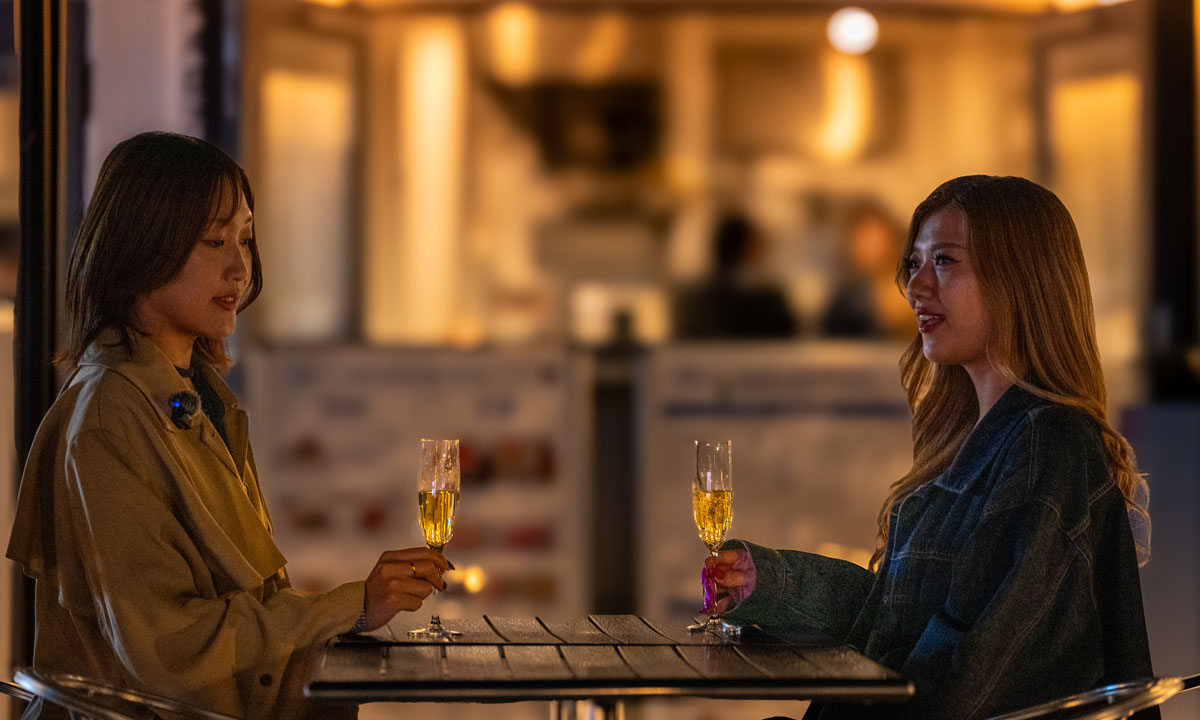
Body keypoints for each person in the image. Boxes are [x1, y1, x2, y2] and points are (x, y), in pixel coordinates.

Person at [7, 131, 449, 719]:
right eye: (214, 241)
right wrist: (352, 606)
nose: (239, 267)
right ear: (141, 247)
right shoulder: (109, 418)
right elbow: (168, 647)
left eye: (245, 238)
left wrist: (358, 615)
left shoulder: (196, 399)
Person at [703, 176, 1156, 719]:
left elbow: (977, 672)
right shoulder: (980, 441)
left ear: (1020, 279)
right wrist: (770, 581)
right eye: (914, 263)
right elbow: (895, 624)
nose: (915, 287)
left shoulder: (1046, 446)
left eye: (944, 260)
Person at [673, 213, 797, 340]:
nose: (763, 251)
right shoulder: (767, 299)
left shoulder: (695, 300)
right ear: (746, 247)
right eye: (756, 244)